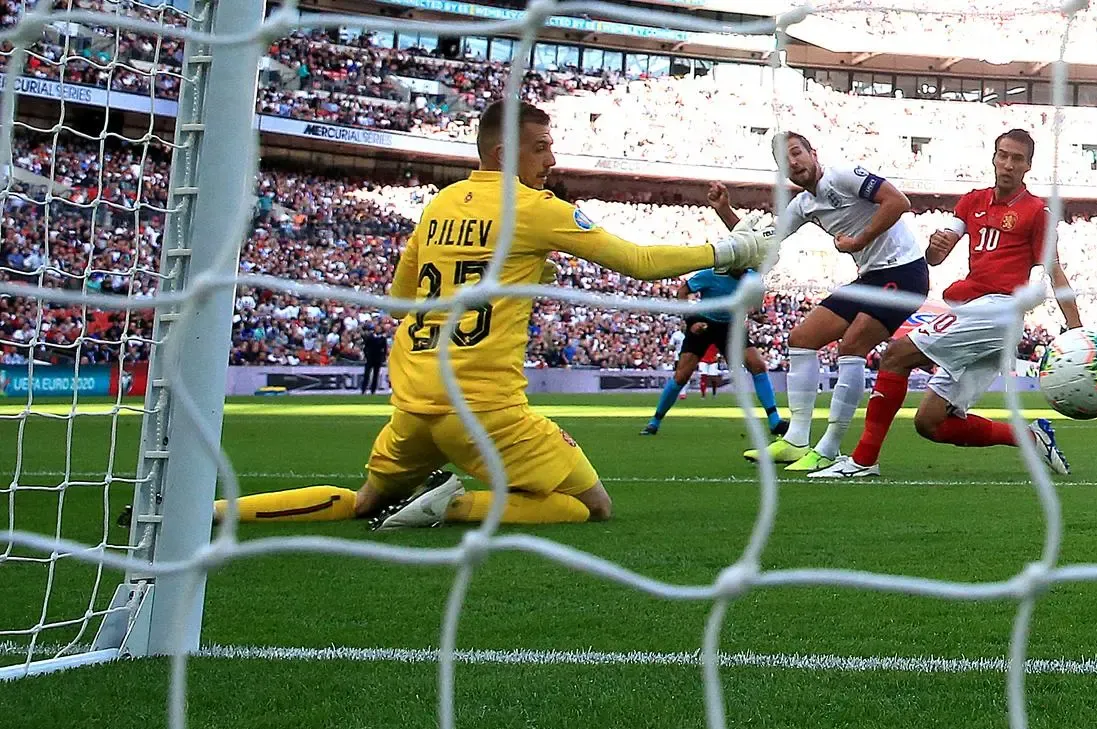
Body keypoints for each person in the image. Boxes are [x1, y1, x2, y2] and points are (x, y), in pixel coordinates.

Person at [212, 100, 773, 528]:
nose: (552, 158)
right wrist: (730, 250)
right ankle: (453, 506)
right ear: (507, 155)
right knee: (590, 507)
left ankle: (215, 512)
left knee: (362, 502)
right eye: (543, 147)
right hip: (483, 407)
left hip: (414, 402)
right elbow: (638, 260)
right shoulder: (534, 207)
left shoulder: (440, 202)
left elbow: (403, 292)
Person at [810, 129, 1079, 479]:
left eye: (1017, 158)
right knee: (931, 422)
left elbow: (1055, 272)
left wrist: (1077, 333)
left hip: (1000, 311)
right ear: (994, 157)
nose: (1007, 164)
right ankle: (1030, 437)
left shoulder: (1036, 212)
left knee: (896, 354)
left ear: (1028, 166)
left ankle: (862, 461)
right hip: (972, 313)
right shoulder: (971, 201)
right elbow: (937, 255)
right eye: (1002, 155)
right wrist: (935, 249)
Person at [709, 132, 930, 473]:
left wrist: (859, 240)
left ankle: (829, 448)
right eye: (785, 161)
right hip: (871, 277)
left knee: (852, 346)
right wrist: (725, 210)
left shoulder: (843, 176)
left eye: (797, 153)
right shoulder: (802, 206)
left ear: (813, 153)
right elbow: (762, 241)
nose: (794, 163)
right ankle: (797, 439)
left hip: (904, 273)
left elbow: (898, 202)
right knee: (801, 339)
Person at [640, 268, 788, 436]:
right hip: (703, 323)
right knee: (682, 376)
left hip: (730, 326)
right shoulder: (709, 275)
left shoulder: (752, 277)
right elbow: (682, 292)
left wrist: (755, 314)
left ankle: (775, 421)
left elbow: (752, 299)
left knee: (758, 366)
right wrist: (690, 321)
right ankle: (655, 421)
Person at [359, 324, 388, 394]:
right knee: (366, 375)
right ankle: (363, 390)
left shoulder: (382, 338)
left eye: (379, 328)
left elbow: (385, 349)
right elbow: (365, 347)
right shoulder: (370, 337)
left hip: (378, 359)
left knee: (376, 375)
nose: (378, 330)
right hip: (370, 359)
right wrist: (366, 356)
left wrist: (383, 358)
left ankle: (373, 390)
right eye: (377, 328)